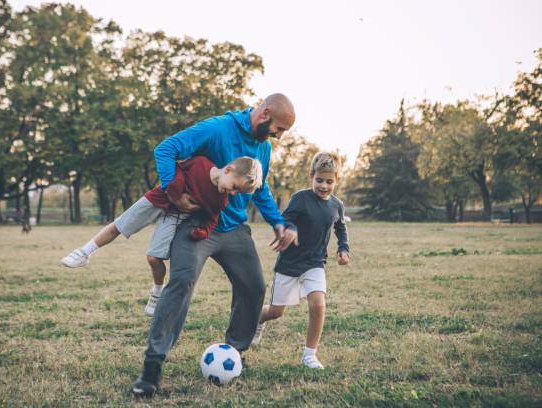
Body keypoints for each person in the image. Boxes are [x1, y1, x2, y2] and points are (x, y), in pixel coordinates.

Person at [133, 93, 296, 397]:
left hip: (234, 229)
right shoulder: (218, 128)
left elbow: (260, 189)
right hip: (198, 224)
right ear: (265, 113)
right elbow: (166, 148)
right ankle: (152, 366)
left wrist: (276, 221)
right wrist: (173, 192)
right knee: (181, 283)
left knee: (253, 286)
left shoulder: (263, 147)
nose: (280, 136)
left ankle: (233, 352)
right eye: (279, 129)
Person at [61, 155, 263, 315]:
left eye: (238, 192)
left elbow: (212, 218)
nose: (233, 193)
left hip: (175, 215)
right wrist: (175, 189)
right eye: (235, 187)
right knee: (119, 225)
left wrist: (202, 231)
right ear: (228, 169)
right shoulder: (200, 163)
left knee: (154, 258)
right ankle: (84, 253)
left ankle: (157, 291)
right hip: (160, 197)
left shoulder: (220, 200)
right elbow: (176, 167)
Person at [250, 151, 350, 370]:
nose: (324, 185)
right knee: (276, 312)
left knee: (318, 305)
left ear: (337, 180)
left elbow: (341, 227)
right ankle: (257, 322)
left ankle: (309, 355)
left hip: (315, 263)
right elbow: (287, 219)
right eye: (319, 180)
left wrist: (343, 248)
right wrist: (291, 230)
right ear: (311, 175)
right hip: (289, 264)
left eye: (329, 181)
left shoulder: (337, 205)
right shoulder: (300, 198)